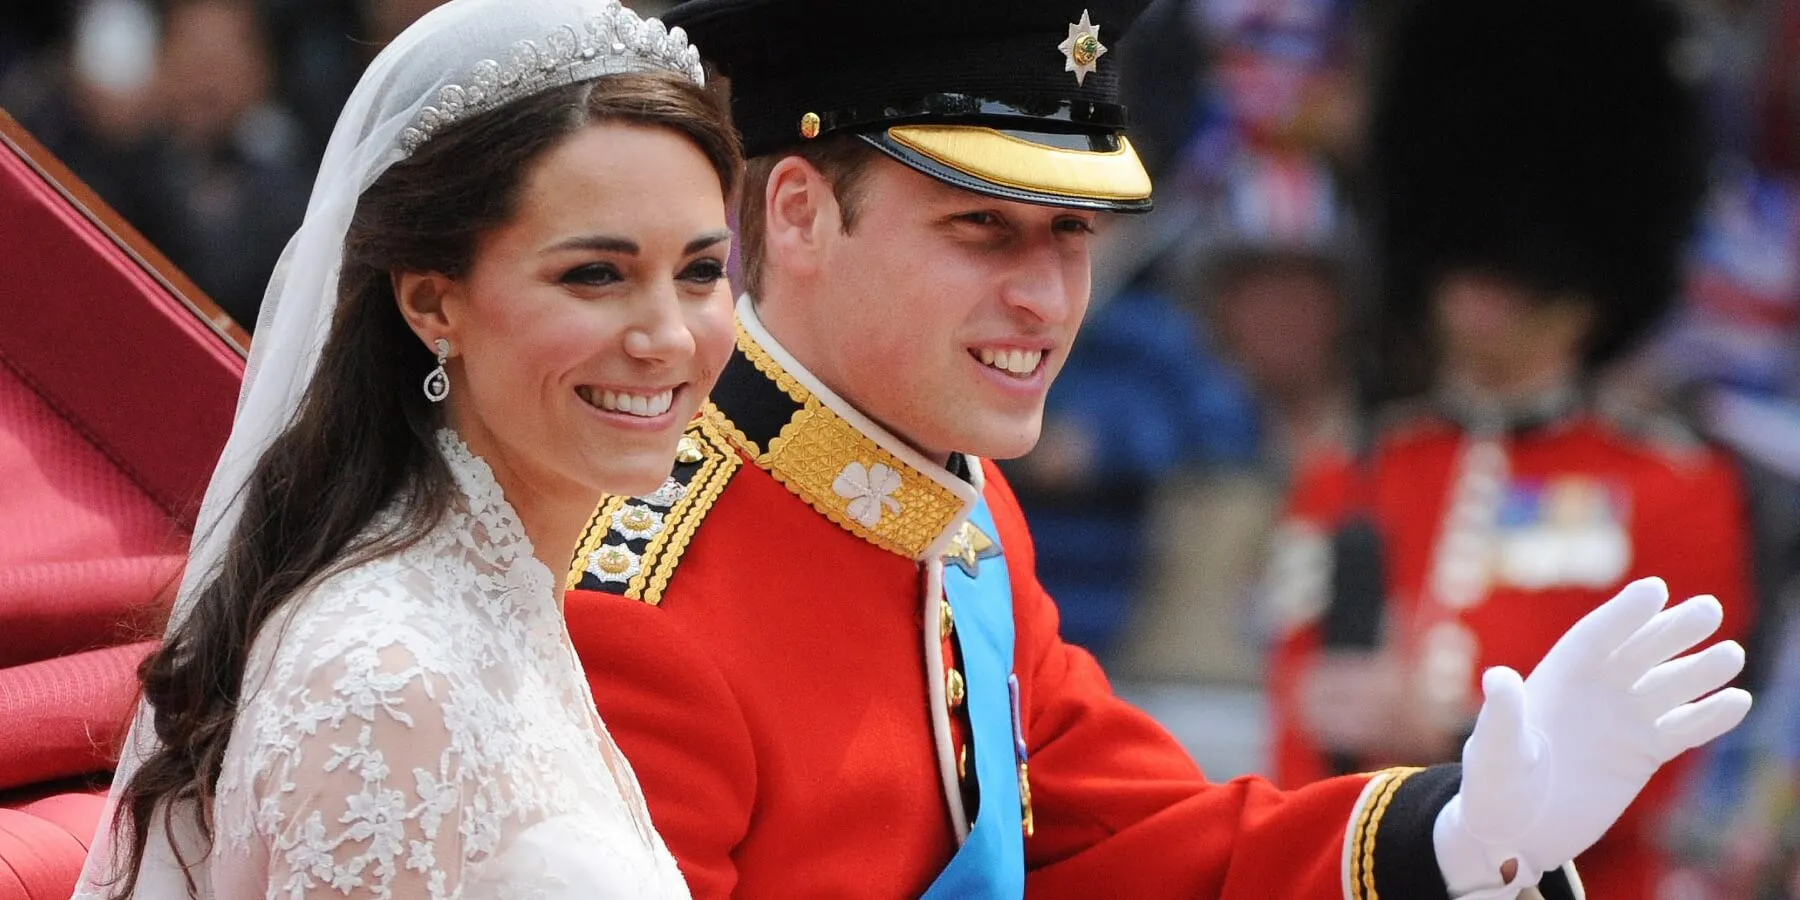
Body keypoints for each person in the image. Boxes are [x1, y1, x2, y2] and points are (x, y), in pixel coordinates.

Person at [563, 1, 1751, 897]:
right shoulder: (640, 596)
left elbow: (1129, 840)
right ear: (800, 214)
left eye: (1072, 234)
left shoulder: (956, 507)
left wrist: (1463, 834)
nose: (1046, 298)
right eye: (984, 228)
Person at [72, 0, 741, 896]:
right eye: (595, 275)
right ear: (431, 303)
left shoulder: (495, 598)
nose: (667, 336)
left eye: (700, 271)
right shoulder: (383, 678)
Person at [1264, 2, 1756, 897]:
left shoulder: (1674, 486)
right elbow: (1300, 728)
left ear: (1587, 286)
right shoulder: (1351, 470)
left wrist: (1454, 739)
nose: (1481, 291)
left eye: (1513, 268)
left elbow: (1669, 764)